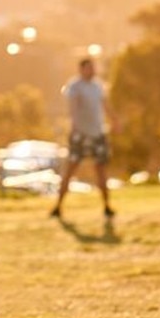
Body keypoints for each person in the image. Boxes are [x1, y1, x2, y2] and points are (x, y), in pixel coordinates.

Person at [52, 57, 119, 219]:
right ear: (81, 69)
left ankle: (107, 207)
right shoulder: (75, 86)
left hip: (98, 133)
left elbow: (105, 104)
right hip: (80, 134)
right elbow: (73, 106)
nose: (92, 71)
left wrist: (115, 120)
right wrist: (74, 125)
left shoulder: (98, 86)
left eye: (93, 68)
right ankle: (58, 207)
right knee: (70, 169)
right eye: (88, 68)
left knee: (101, 170)